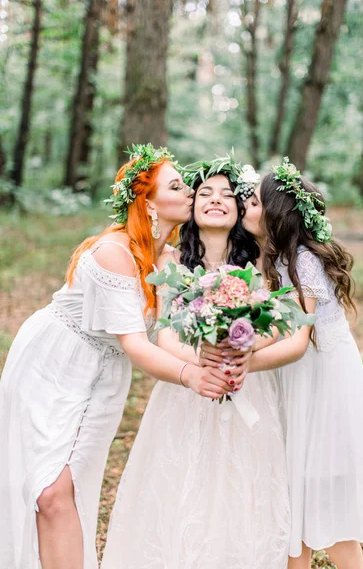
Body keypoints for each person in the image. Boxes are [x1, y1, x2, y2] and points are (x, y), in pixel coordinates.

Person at [0, 144, 236, 569]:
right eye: (178, 186)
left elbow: (166, 333)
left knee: (63, 490)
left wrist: (216, 353)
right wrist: (191, 376)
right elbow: (135, 343)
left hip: (105, 374)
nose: (191, 192)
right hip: (55, 360)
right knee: (46, 489)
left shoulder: (167, 258)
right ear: (147, 202)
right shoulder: (116, 252)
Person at [101, 156, 291, 569]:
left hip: (247, 383)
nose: (216, 200)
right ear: (191, 207)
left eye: (227, 194)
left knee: (242, 487)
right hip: (186, 390)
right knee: (182, 490)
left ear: (241, 208)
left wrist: (245, 347)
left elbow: (278, 322)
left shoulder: (259, 258)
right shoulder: (169, 263)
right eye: (205, 193)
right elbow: (165, 334)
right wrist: (201, 365)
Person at [204, 158, 363, 569]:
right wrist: (243, 343)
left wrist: (245, 362)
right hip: (304, 378)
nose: (244, 208)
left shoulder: (302, 260)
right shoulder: (279, 259)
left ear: (274, 213)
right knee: (295, 492)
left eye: (251, 203)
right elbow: (282, 327)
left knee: (317, 485)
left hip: (325, 381)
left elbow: (300, 340)